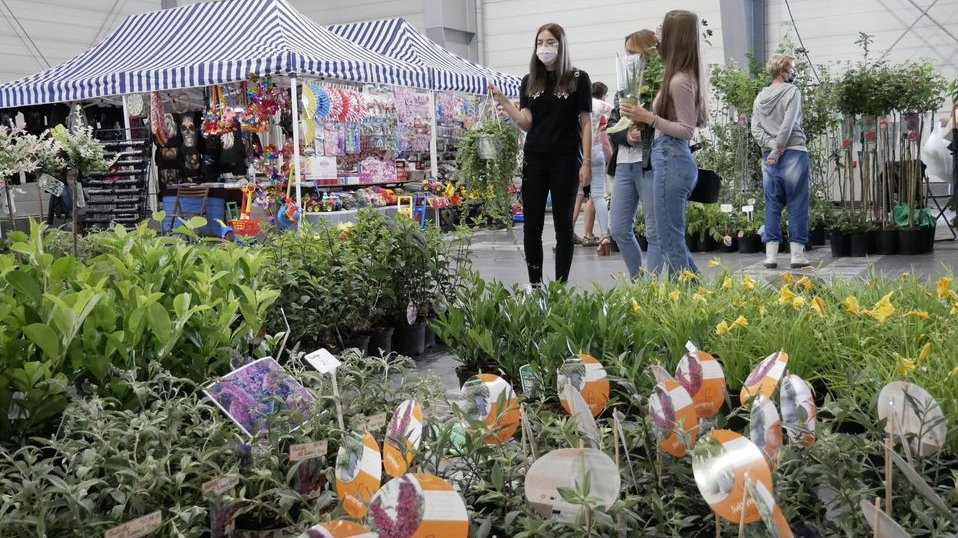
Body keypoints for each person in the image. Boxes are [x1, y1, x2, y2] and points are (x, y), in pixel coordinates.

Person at [490, 23, 592, 287]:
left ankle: (559, 288)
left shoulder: (578, 79)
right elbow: (526, 122)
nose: (544, 48)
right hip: (534, 159)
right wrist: (503, 101)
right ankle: (535, 285)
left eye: (550, 42)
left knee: (563, 227)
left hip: (566, 160)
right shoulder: (529, 81)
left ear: (561, 45)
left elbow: (586, 123)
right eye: (540, 42)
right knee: (531, 227)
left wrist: (587, 162)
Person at [621, 11, 707, 277]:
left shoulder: (679, 80)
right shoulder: (680, 75)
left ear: (673, 35)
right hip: (668, 158)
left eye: (661, 30)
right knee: (671, 241)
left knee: (671, 242)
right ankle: (690, 297)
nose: (656, 35)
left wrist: (648, 117)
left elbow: (686, 129)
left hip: (672, 158)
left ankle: (694, 297)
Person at [608, 29, 662, 279]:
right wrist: (626, 137)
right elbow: (612, 125)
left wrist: (645, 129)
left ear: (647, 52)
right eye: (626, 53)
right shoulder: (623, 89)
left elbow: (667, 122)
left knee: (654, 231)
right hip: (624, 164)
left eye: (633, 53)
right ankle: (639, 279)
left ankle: (651, 290)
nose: (629, 58)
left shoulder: (660, 87)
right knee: (618, 228)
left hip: (650, 163)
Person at [751, 53, 811, 268]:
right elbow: (788, 123)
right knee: (797, 202)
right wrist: (779, 149)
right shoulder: (792, 92)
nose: (794, 72)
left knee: (772, 204)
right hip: (793, 151)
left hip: (768, 156)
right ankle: (796, 255)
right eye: (792, 68)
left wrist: (771, 147)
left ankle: (771, 256)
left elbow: (755, 128)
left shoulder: (760, 97)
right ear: (783, 71)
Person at [572, 82, 613, 250]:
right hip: (595, 149)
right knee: (598, 195)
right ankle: (604, 235)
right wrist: (608, 126)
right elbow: (616, 112)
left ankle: (566, 233)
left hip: (578, 152)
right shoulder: (599, 104)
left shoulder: (574, 104)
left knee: (577, 194)